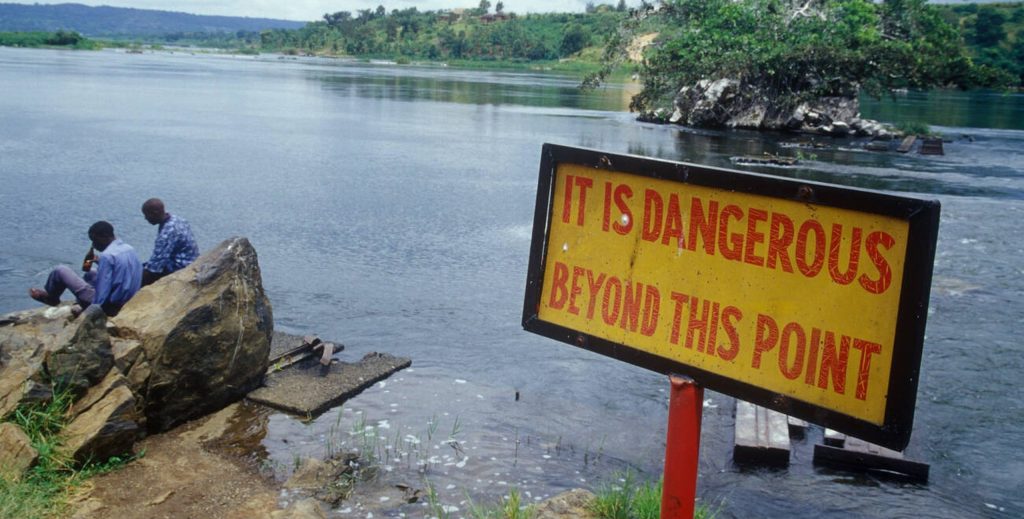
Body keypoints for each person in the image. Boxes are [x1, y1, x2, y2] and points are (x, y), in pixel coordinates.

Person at [28, 221, 142, 317]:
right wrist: (99, 262)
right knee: (90, 273)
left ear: (104, 236)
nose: (94, 245)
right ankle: (80, 302)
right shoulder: (128, 249)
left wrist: (91, 313)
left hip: (111, 306)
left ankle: (52, 298)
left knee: (61, 270)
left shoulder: (107, 256)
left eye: (94, 240)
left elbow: (103, 291)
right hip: (128, 300)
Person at [140, 198, 199, 286]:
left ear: (155, 213)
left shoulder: (167, 233)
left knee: (140, 275)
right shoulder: (177, 219)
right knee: (140, 267)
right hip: (191, 259)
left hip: (181, 266)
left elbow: (155, 267)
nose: (145, 218)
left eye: (146, 215)